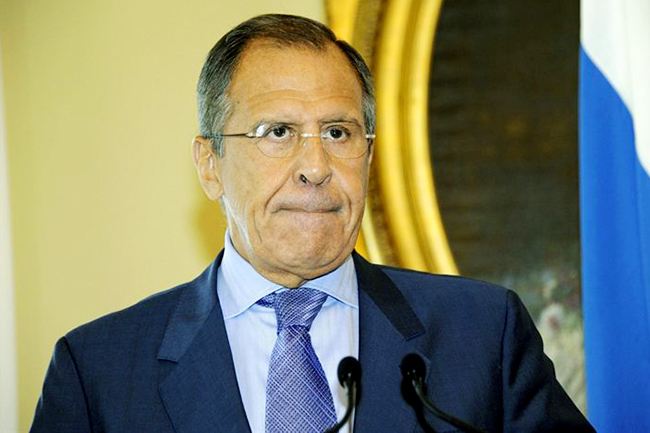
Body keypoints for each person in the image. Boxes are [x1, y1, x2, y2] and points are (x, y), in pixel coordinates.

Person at [31, 14, 594, 433]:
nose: (317, 167)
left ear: (367, 155)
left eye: (338, 133)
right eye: (277, 132)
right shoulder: (98, 371)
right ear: (209, 165)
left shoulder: (484, 335)